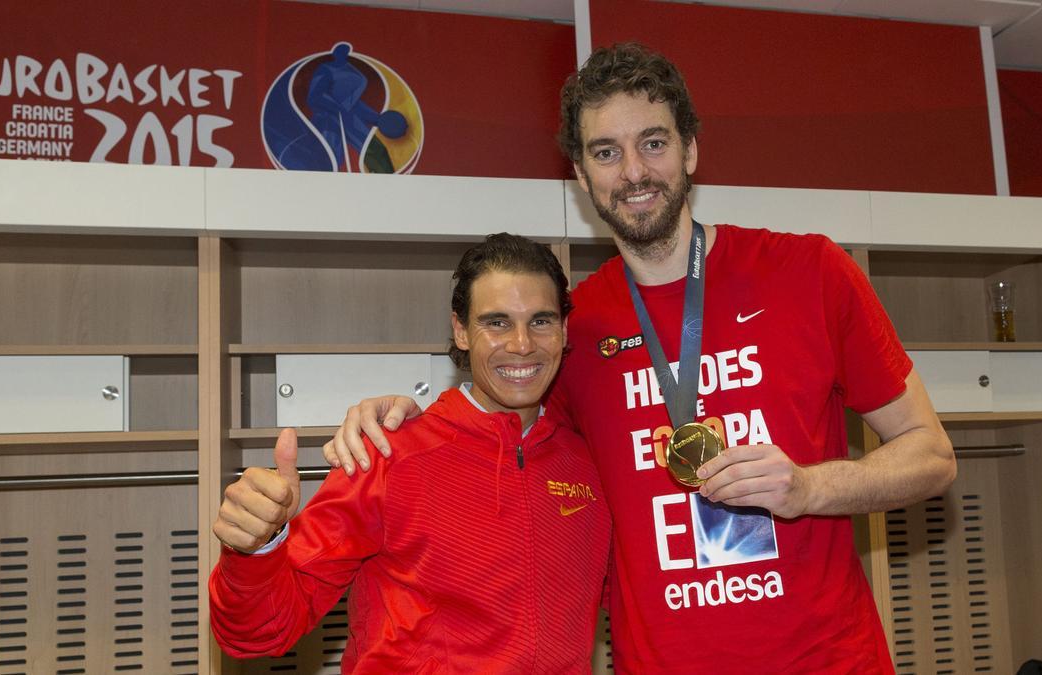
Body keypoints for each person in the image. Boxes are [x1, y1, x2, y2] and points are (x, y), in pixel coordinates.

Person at [323, 43, 956, 673]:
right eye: (606, 152)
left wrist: (811, 487)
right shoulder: (573, 324)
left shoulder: (811, 272)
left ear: (691, 150)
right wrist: (398, 419)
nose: (633, 172)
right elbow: (503, 432)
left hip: (828, 662)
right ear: (581, 174)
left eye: (653, 143)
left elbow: (931, 456)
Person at [208, 233, 612, 673]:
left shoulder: (588, 463)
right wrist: (255, 551)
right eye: (496, 322)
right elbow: (259, 632)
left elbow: (636, 597)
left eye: (540, 321)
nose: (521, 344)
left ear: (564, 329)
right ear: (460, 329)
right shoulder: (387, 454)